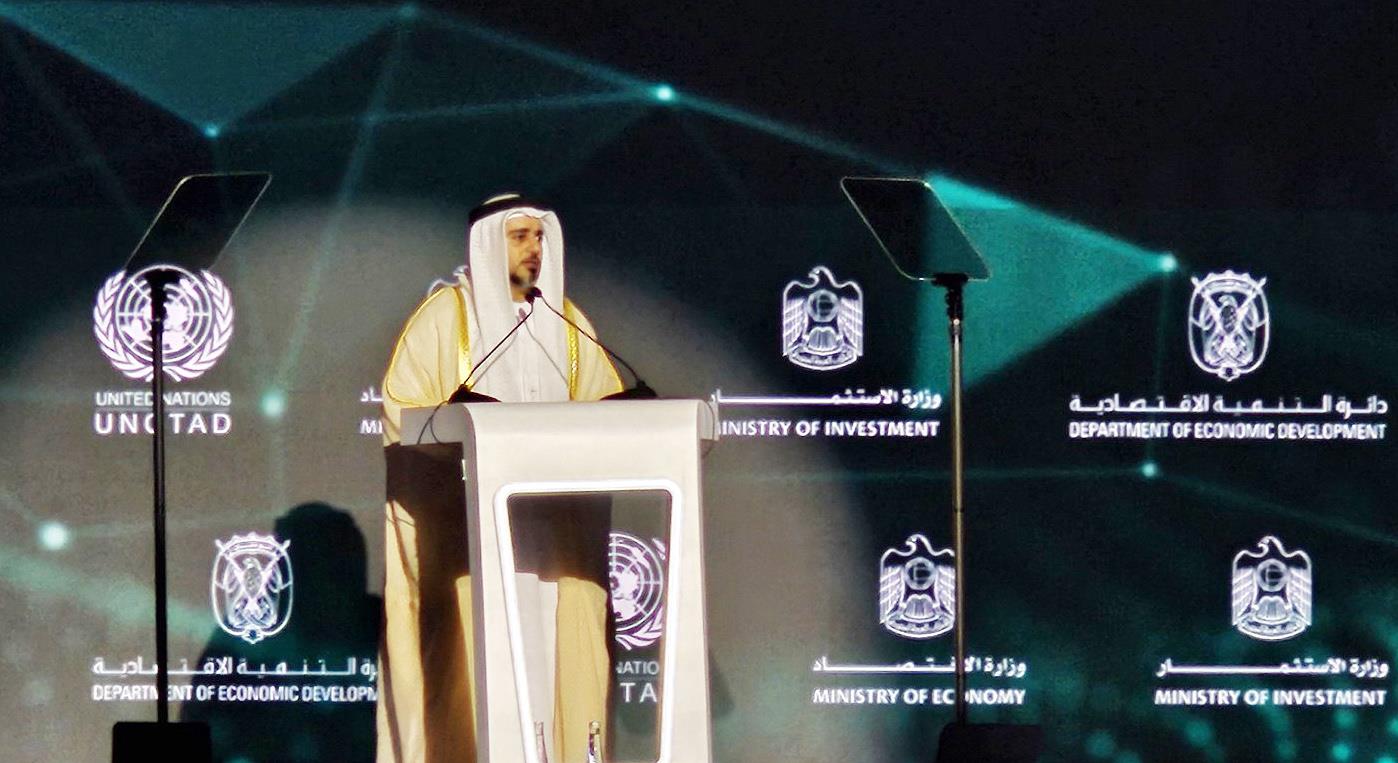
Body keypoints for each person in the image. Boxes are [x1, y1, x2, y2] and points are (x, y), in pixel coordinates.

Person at [376, 194, 623, 763]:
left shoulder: (567, 324)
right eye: (519, 237)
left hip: (554, 545)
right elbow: (401, 411)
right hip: (470, 544)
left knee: (553, 673)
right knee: (475, 680)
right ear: (489, 244)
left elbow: (608, 411)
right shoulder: (445, 319)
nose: (534, 248)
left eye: (539, 237)